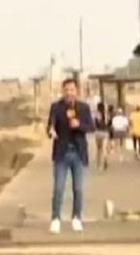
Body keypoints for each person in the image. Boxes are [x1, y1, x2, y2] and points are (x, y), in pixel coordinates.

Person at [46, 78, 95, 234]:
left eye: (72, 90)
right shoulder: (56, 107)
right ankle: (55, 219)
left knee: (78, 189)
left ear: (77, 91)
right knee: (58, 188)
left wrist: (79, 125)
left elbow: (92, 127)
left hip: (79, 153)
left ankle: (76, 218)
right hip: (61, 153)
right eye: (66, 90)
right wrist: (51, 131)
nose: (69, 93)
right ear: (63, 91)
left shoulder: (84, 108)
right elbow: (50, 125)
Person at [93, 102, 111, 171]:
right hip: (105, 132)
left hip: (98, 132)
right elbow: (109, 124)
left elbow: (95, 123)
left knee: (98, 149)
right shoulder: (107, 115)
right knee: (104, 148)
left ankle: (98, 164)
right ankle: (105, 158)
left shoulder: (97, 115)